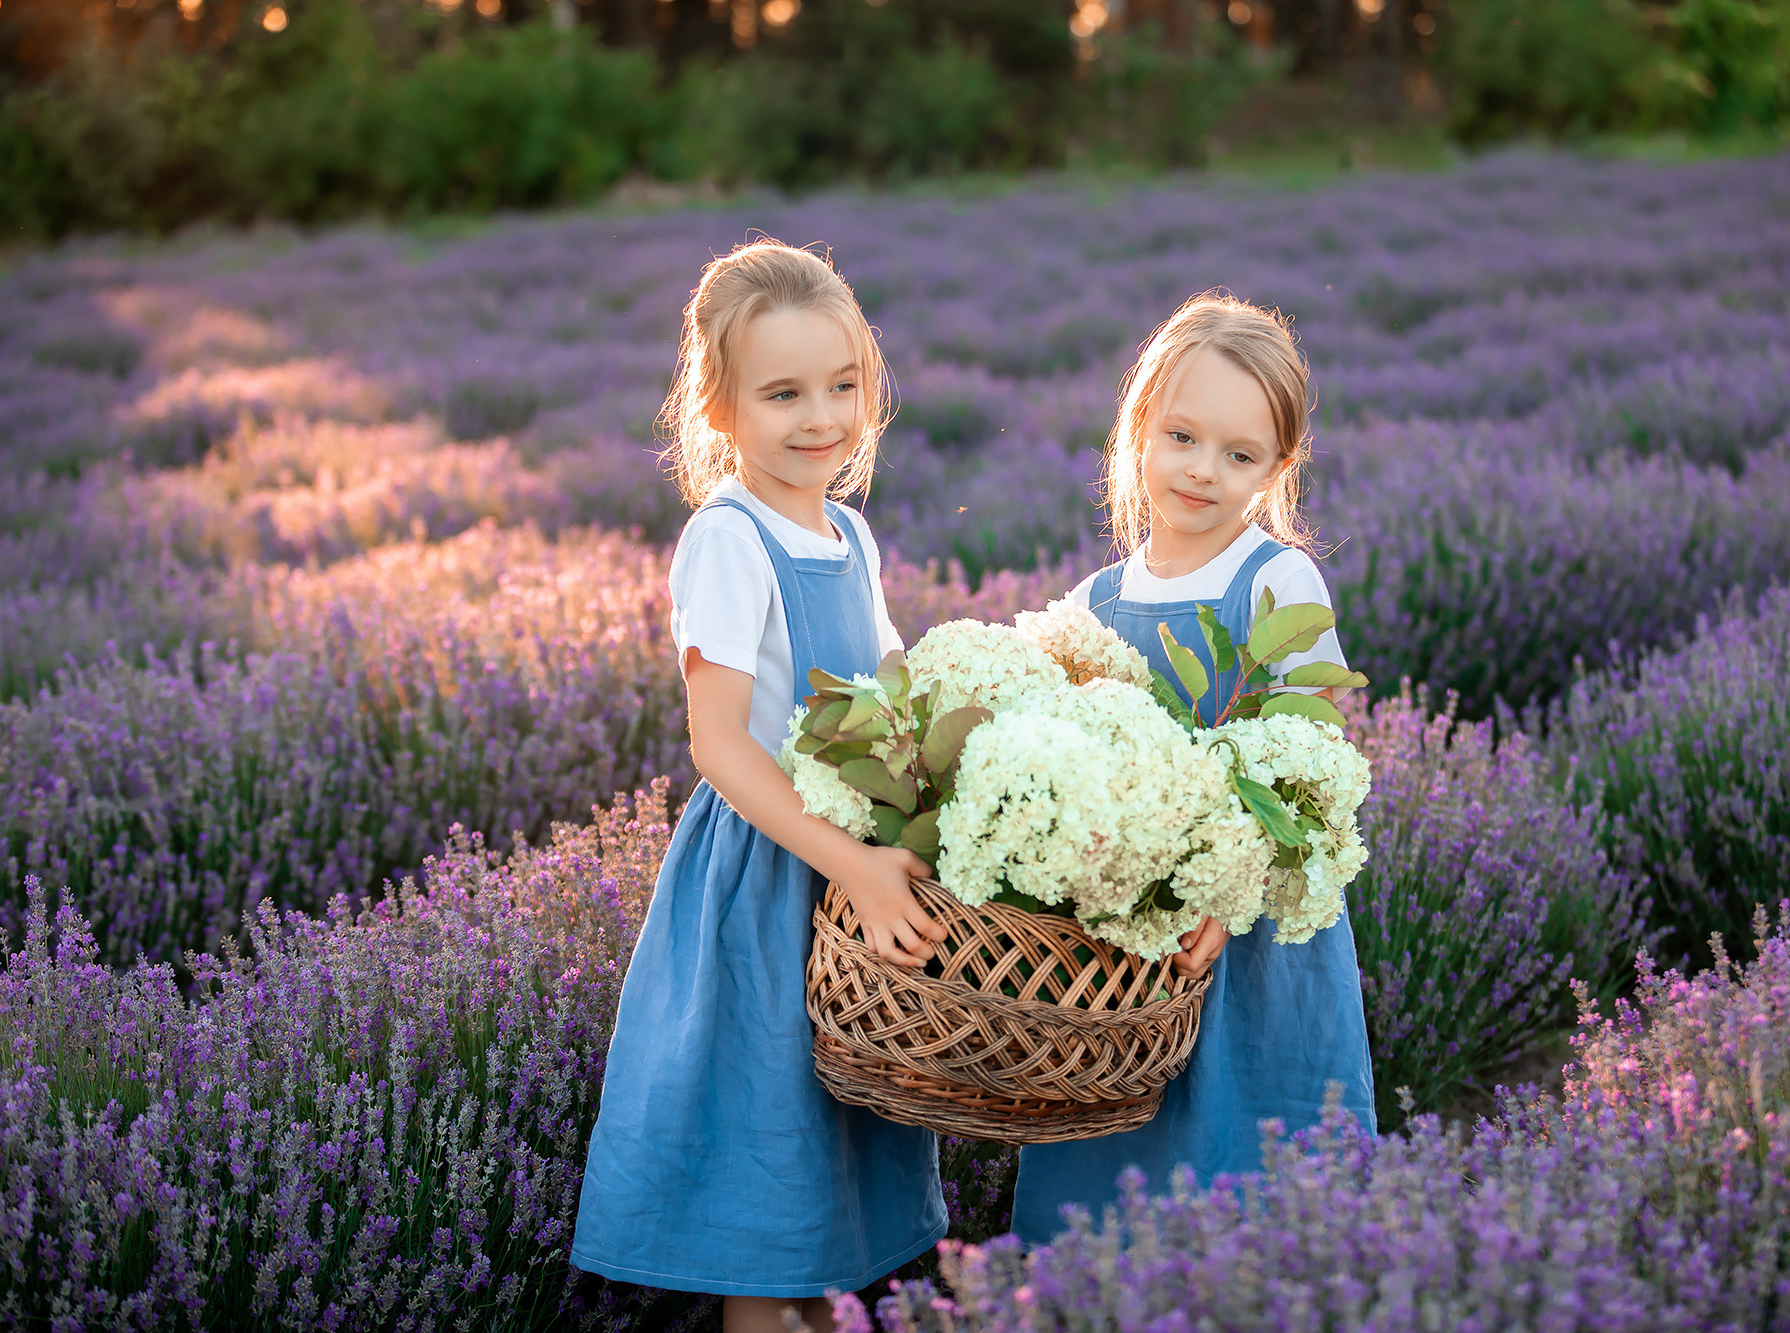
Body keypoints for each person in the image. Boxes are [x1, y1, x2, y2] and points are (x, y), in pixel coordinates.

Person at [570, 239, 949, 1332]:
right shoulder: (727, 540)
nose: (820, 417)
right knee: (771, 1161)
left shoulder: (847, 532)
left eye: (842, 386)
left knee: (838, 1184)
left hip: (851, 865)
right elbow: (721, 745)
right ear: (721, 407)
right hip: (769, 880)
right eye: (783, 394)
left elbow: (890, 694)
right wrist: (853, 867)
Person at [1008, 291, 1378, 1245]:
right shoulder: (1093, 600)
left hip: (1242, 939)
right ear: (1139, 426)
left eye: (1240, 454)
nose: (1203, 471)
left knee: (1249, 1180)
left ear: (1277, 467)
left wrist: (1224, 897)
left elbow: (1311, 765)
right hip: (1123, 956)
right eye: (1181, 436)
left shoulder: (1276, 581)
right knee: (1108, 1185)